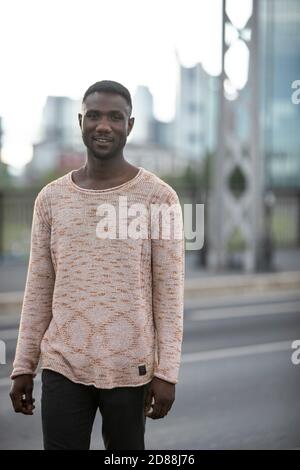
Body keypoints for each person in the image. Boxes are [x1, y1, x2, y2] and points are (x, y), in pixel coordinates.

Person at [9, 80, 185, 450]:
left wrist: (167, 372)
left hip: (130, 369)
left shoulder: (159, 198)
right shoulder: (51, 199)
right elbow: (39, 287)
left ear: (130, 125)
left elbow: (169, 294)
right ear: (80, 121)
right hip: (62, 363)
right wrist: (24, 365)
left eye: (115, 117)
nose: (103, 125)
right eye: (94, 116)